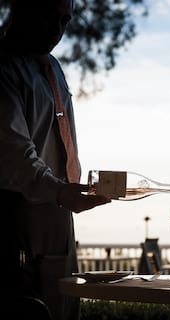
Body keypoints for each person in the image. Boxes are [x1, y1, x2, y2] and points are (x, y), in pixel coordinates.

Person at [0, 1, 111, 319]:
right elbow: (13, 153)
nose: (57, 30)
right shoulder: (5, 68)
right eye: (50, 15)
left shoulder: (53, 69)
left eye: (65, 20)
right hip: (16, 217)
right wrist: (61, 191)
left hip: (60, 216)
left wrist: (68, 192)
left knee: (65, 305)